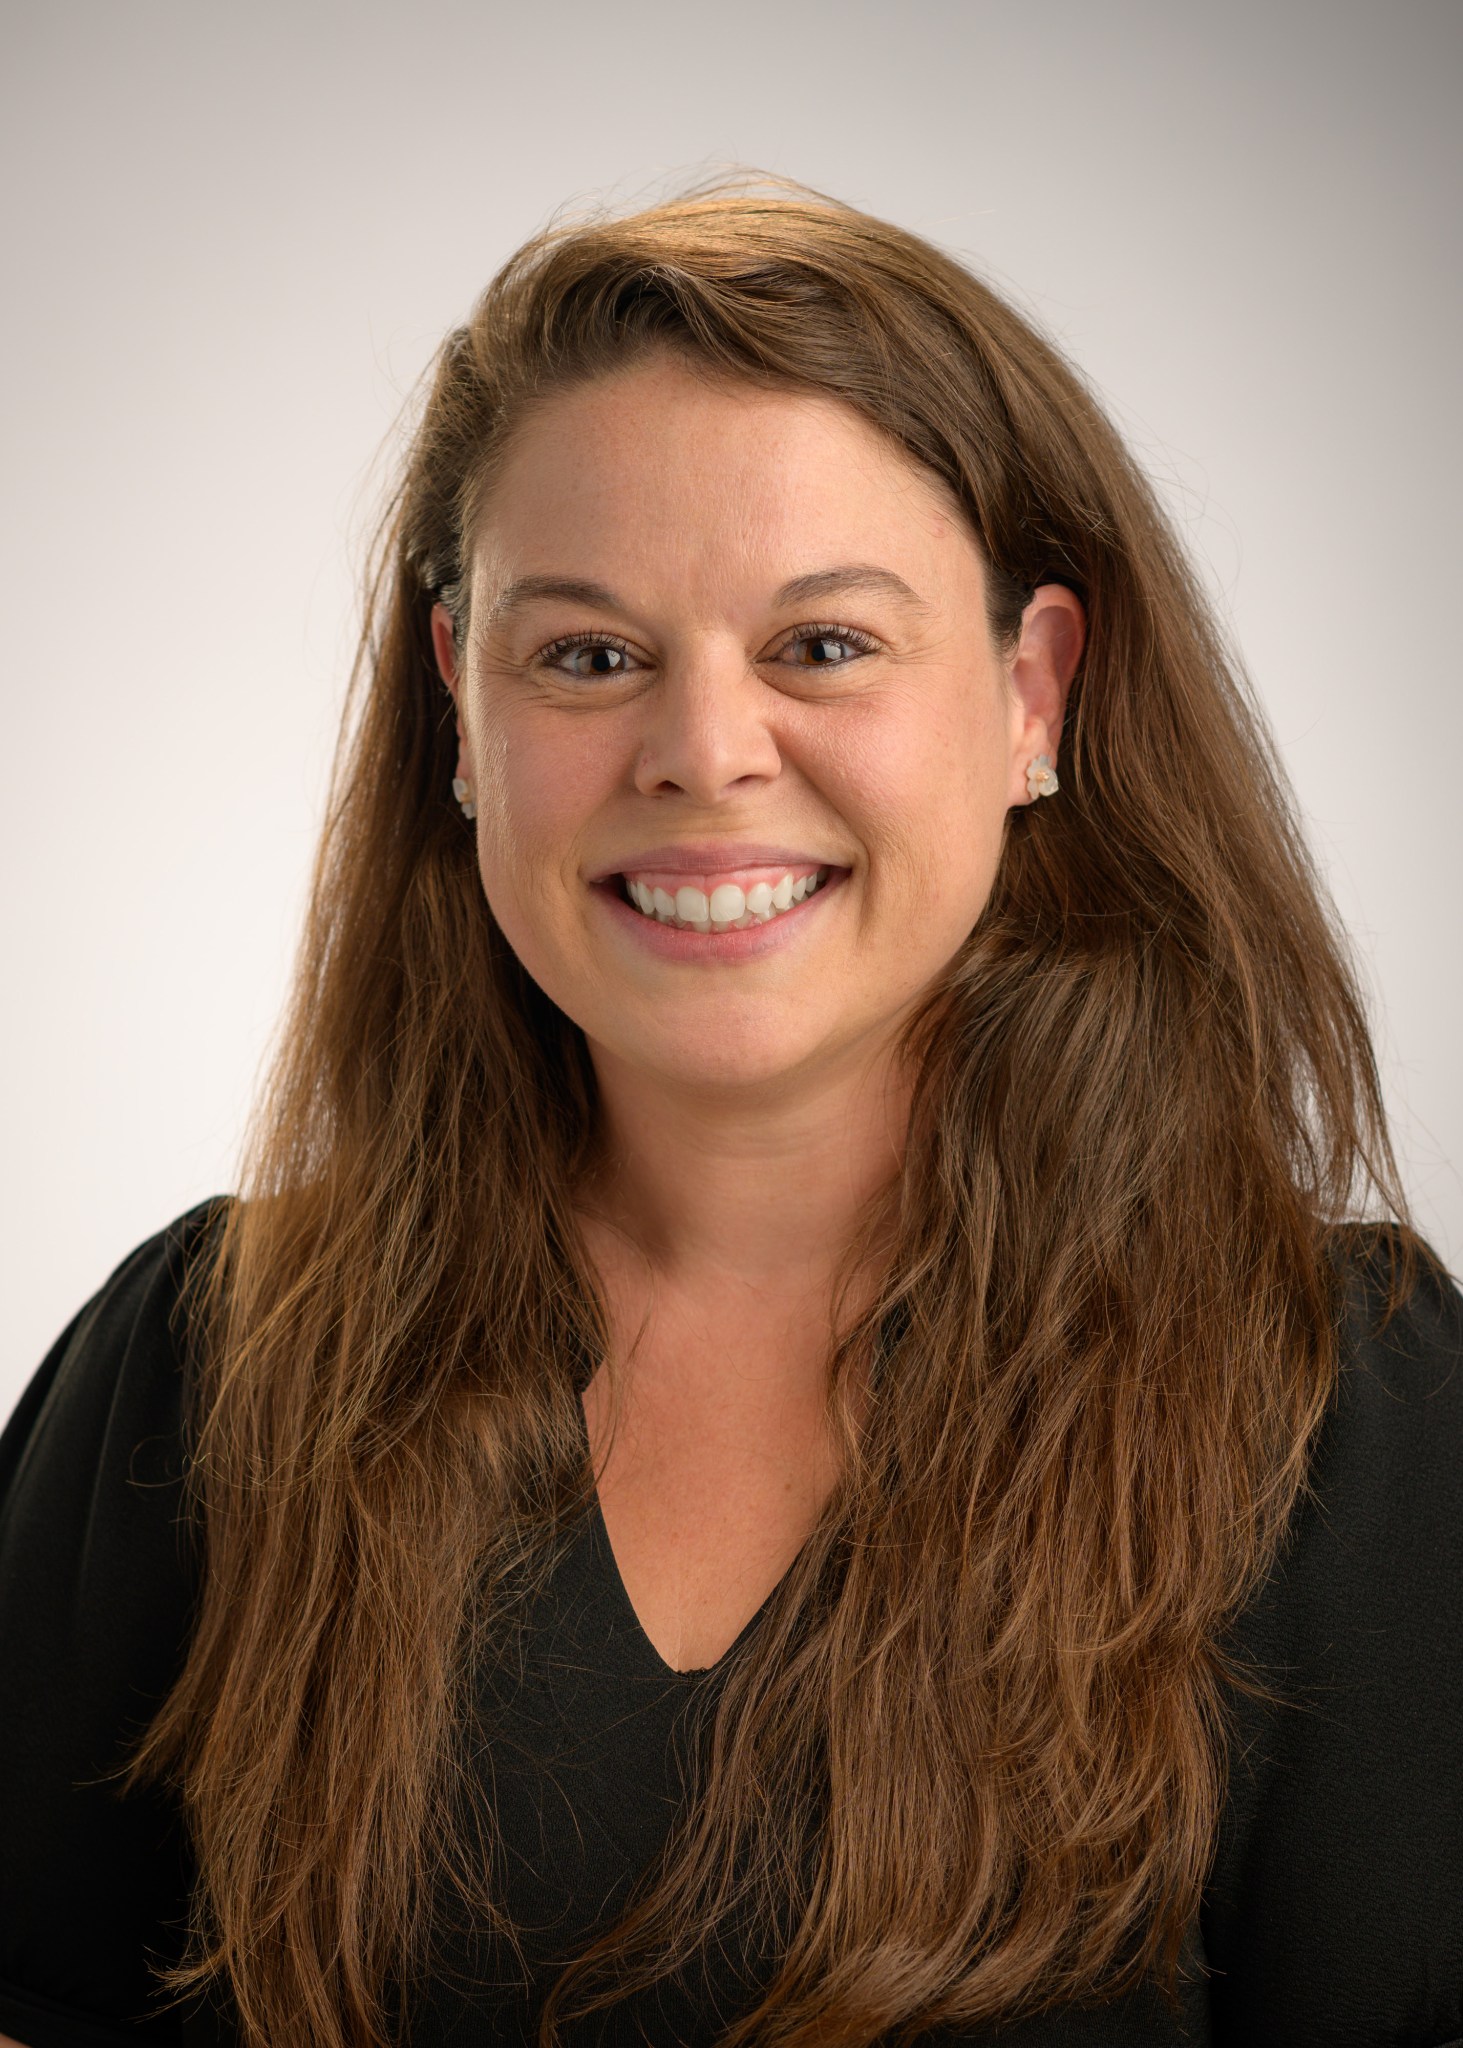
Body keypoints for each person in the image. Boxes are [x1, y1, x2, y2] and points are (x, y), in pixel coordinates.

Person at [1, 171, 1459, 2048]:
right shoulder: (201, 1369)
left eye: (823, 644)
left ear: (1035, 694)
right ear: (461, 703)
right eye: (589, 655)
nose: (703, 750)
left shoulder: (1339, 1416)